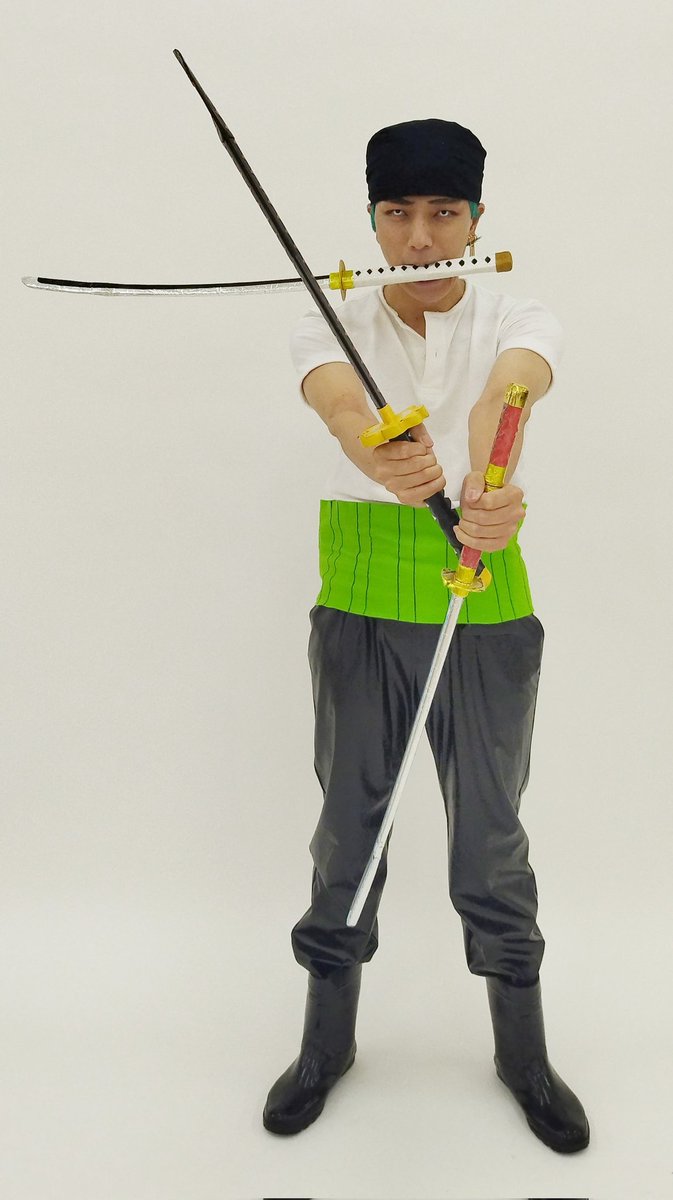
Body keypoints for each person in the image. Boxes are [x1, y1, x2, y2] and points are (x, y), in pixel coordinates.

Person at [262, 118, 589, 1153]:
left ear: (476, 217)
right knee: (347, 834)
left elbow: (509, 391)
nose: (417, 236)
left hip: (481, 601)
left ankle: (522, 1054)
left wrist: (489, 484)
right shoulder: (331, 316)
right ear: (371, 219)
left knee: (490, 840)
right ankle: (326, 1045)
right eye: (395, 212)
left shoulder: (518, 311)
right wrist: (380, 449)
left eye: (443, 212)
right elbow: (339, 403)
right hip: (360, 602)